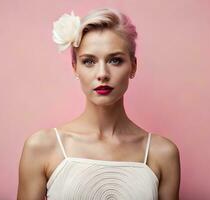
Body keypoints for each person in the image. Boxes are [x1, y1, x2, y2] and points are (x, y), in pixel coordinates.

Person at [17, 7, 180, 200]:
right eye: (89, 62)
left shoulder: (162, 154)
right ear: (74, 67)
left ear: (133, 66)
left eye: (115, 60)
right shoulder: (42, 147)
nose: (102, 74)